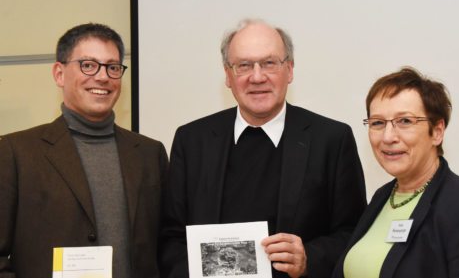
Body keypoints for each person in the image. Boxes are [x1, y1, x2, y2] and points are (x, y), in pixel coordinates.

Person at [160, 18, 366, 278]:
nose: (257, 77)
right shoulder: (191, 140)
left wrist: (309, 258)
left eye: (269, 63)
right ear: (228, 75)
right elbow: (171, 239)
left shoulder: (332, 139)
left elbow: (354, 232)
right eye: (244, 65)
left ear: (289, 70)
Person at [0, 23, 168, 278]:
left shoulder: (149, 153)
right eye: (88, 65)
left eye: (112, 67)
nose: (102, 77)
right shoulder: (15, 153)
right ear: (59, 73)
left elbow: (166, 246)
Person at [332, 67, 459, 278]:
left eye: (405, 121)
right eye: (377, 123)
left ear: (437, 132)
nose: (388, 136)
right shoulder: (383, 197)